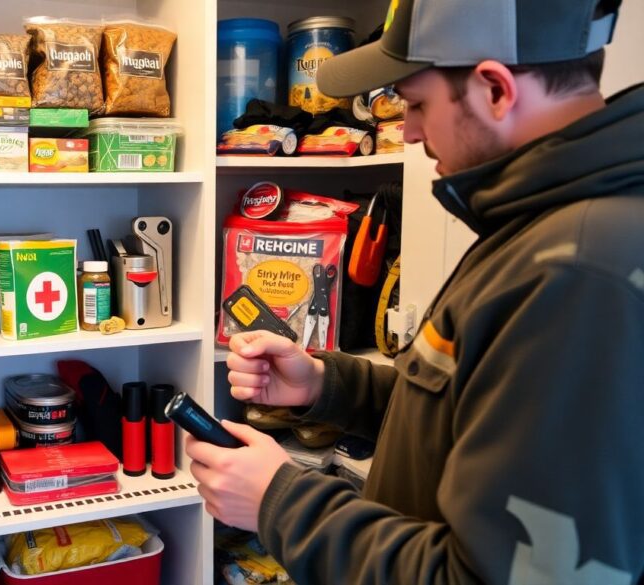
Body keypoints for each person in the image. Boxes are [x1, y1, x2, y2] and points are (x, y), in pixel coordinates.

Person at [187, 0, 644, 582]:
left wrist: (281, 502)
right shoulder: (538, 224)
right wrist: (328, 384)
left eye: (418, 103)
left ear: (496, 91)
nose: (408, 131)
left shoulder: (579, 273)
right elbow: (468, 408)